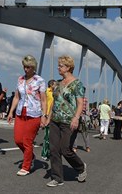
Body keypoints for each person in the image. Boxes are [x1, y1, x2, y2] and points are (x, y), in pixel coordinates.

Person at [46, 55, 87, 187]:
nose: (58, 67)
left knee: (65, 149)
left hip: (69, 121)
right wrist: (48, 117)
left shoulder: (77, 84)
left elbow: (80, 103)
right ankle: (57, 178)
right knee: (54, 149)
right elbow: (55, 103)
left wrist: (76, 118)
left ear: (68, 67)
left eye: (61, 65)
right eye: (58, 65)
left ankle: (81, 167)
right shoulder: (57, 84)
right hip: (55, 120)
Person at [7, 55, 47, 176]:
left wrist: (44, 115)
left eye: (28, 67)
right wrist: (10, 112)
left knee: (27, 141)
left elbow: (44, 100)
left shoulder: (39, 80)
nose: (26, 69)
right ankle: (31, 157)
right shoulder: (20, 79)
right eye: (24, 67)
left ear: (33, 67)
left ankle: (26, 166)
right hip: (20, 112)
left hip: (34, 114)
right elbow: (17, 97)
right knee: (18, 140)